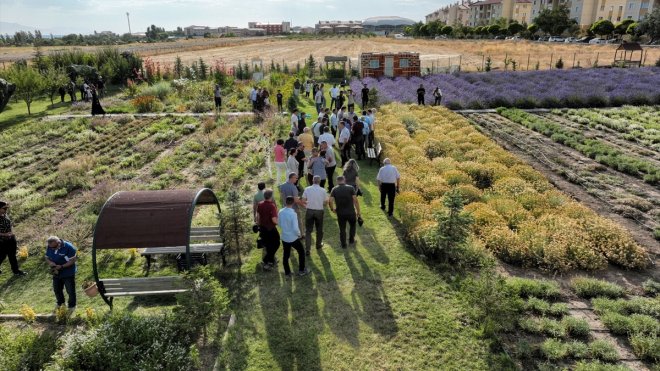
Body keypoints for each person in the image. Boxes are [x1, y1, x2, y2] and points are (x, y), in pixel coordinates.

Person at [279, 196, 310, 277]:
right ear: (293, 203)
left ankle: (287, 273)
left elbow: (279, 223)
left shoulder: (280, 211)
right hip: (293, 238)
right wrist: (299, 234)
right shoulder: (293, 214)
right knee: (301, 252)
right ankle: (301, 270)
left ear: (285, 202)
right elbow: (295, 228)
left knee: (286, 255)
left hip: (284, 237)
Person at [45, 236, 77, 311]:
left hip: (68, 272)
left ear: (59, 243)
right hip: (56, 272)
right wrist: (50, 262)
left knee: (70, 290)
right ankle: (61, 304)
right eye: (51, 247)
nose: (52, 249)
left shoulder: (69, 247)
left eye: (54, 247)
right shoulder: (50, 246)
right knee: (57, 289)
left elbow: (72, 261)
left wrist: (62, 266)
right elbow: (46, 257)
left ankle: (72, 306)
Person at [329, 176, 362, 248]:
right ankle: (351, 240)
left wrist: (332, 209)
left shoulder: (334, 189)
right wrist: (358, 212)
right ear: (344, 180)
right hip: (351, 212)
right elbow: (355, 201)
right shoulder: (350, 188)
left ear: (337, 181)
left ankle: (343, 244)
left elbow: (330, 201)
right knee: (353, 226)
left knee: (342, 228)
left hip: (340, 213)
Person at [302, 175, 328, 255]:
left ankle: (307, 249)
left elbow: (303, 200)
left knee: (308, 231)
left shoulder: (307, 189)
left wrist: (308, 204)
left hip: (309, 210)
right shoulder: (323, 190)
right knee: (319, 229)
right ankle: (318, 245)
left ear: (312, 181)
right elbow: (326, 202)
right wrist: (321, 204)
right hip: (319, 211)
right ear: (319, 181)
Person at [0, 202, 26, 276]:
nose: (6, 210)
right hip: (1, 241)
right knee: (2, 256)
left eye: (6, 208)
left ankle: (16, 271)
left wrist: (11, 233)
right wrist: (5, 234)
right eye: (4, 208)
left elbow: (9, 225)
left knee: (12, 256)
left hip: (11, 239)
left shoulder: (5, 215)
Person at [256, 189, 280, 270]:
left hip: (262, 228)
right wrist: (278, 223)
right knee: (276, 243)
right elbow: (274, 219)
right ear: (271, 196)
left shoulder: (260, 204)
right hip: (270, 228)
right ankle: (266, 259)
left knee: (269, 245)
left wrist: (259, 225)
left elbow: (258, 217)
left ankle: (270, 261)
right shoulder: (272, 206)